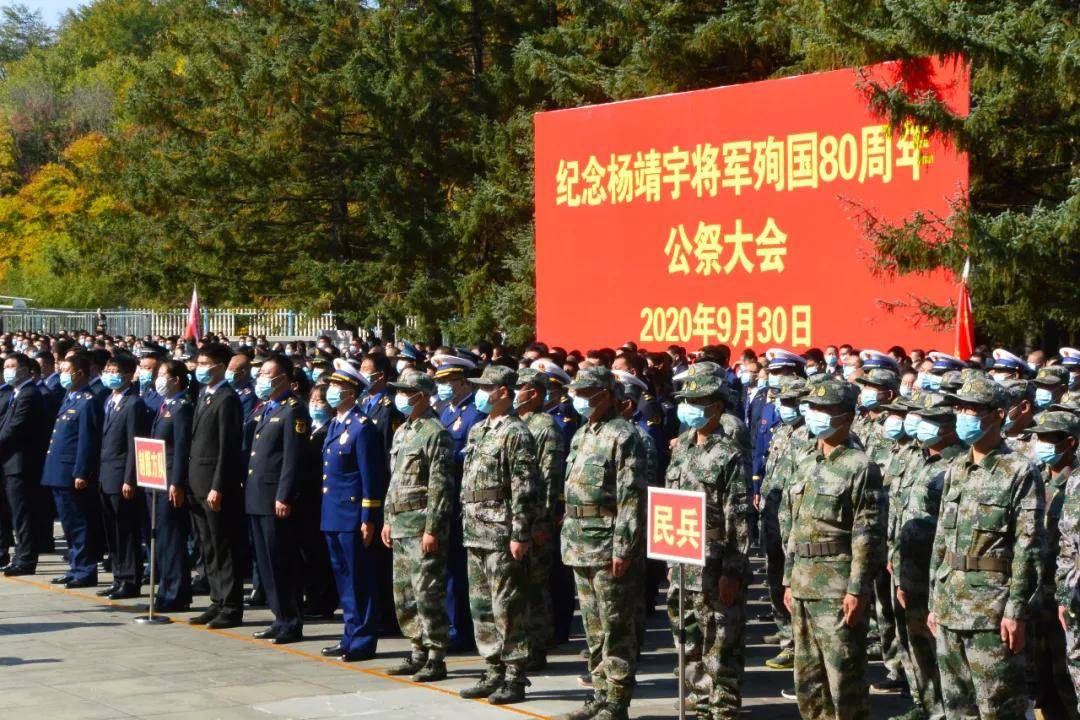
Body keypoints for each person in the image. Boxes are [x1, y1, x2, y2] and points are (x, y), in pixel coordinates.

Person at [928, 377, 1044, 720]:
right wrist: (935, 600)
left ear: (996, 415)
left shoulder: (1019, 471)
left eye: (972, 409)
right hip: (950, 608)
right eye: (960, 408)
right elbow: (941, 539)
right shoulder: (956, 468)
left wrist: (1016, 610)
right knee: (958, 710)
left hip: (991, 613)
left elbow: (1028, 546)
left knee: (998, 710)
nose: (963, 415)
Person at [782, 376, 883, 720]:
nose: (817, 415)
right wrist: (787, 579)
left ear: (846, 416)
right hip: (803, 583)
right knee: (808, 683)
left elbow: (866, 533)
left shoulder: (860, 466)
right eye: (813, 408)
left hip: (837, 587)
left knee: (844, 682)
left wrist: (857, 588)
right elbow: (795, 526)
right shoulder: (806, 460)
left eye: (826, 409)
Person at [561, 366, 647, 720]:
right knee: (593, 628)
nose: (580, 399)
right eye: (578, 393)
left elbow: (631, 498)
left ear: (607, 395)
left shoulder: (624, 435)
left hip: (608, 543)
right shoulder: (583, 434)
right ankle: (599, 692)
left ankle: (617, 699)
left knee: (617, 626)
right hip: (579, 541)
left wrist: (624, 548)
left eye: (587, 393)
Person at [665, 372, 752, 719]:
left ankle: (723, 707)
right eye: (686, 401)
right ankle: (701, 701)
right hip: (682, 562)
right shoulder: (682, 447)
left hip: (715, 564)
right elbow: (669, 503)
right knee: (688, 637)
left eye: (696, 402)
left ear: (716, 407)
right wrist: (669, 557)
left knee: (721, 638)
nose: (688, 408)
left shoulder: (727, 453)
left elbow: (740, 518)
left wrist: (733, 570)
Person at [456, 364, 539, 705]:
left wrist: (519, 533)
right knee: (481, 607)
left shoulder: (516, 433)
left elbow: (523, 488)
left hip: (501, 531)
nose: (481, 393)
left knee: (508, 607)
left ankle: (515, 676)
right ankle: (492, 669)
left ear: (504, 392)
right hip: (475, 529)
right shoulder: (478, 430)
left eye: (486, 387)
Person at [381, 369, 454, 681]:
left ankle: (436, 655)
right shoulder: (403, 431)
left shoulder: (436, 432)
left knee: (427, 592)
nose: (401, 397)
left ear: (422, 396)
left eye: (406, 392)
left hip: (421, 524)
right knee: (404, 593)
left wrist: (432, 529)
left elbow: (441, 486)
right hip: (399, 522)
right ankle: (416, 650)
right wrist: (386, 518)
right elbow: (394, 481)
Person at [320, 360, 387, 662]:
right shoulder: (336, 424)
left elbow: (371, 477)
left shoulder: (363, 428)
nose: (332, 392)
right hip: (332, 513)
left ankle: (362, 640)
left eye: (338, 387)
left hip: (352, 516)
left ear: (351, 392)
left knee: (358, 580)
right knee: (343, 580)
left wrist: (368, 518)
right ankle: (350, 634)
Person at [247, 354, 309, 644]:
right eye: (260, 373)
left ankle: (291, 621)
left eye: (268, 373)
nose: (263, 378)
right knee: (266, 561)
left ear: (284, 377)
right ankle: (279, 616)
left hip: (275, 499)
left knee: (281, 561)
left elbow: (292, 459)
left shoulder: (293, 410)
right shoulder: (266, 408)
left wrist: (284, 495)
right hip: (258, 496)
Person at [187, 343, 246, 629]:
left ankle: (232, 605)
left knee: (223, 546)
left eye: (206, 362)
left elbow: (227, 448)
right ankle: (216, 600)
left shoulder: (227, 399)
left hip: (214, 486)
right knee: (207, 546)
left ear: (221, 366)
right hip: (196, 483)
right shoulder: (204, 395)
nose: (201, 367)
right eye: (199, 362)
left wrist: (218, 485)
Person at [515, 367, 566, 671]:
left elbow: (549, 478)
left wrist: (541, 521)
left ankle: (536, 647)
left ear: (533, 393)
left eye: (519, 387)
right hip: (517, 518)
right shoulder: (517, 423)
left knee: (534, 587)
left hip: (535, 520)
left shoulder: (545, 426)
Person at [1030, 410, 1080, 718]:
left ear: (1070, 443)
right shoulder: (1035, 476)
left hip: (1066, 592)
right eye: (1039, 438)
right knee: (1041, 670)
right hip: (1038, 591)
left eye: (1049, 438)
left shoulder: (1075, 483)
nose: (1041, 444)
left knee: (1068, 670)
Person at [41, 352, 103, 589]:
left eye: (66, 370)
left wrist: (81, 472)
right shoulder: (70, 397)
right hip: (58, 471)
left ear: (80, 374)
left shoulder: (87, 401)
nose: (62, 374)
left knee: (79, 523)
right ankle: (75, 566)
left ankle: (85, 570)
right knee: (68, 523)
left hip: (71, 473)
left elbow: (87, 441)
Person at [758, 376, 808, 671]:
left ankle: (797, 643)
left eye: (790, 402)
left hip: (793, 523)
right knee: (774, 578)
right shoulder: (781, 432)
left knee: (793, 583)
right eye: (782, 401)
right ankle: (785, 637)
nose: (784, 407)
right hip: (772, 518)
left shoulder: (809, 437)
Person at [96, 353, 151, 600]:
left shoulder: (134, 403)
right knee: (112, 530)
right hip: (105, 474)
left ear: (129, 375)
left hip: (121, 477)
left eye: (114, 370)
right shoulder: (110, 399)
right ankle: (118, 576)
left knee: (126, 530)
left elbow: (133, 444)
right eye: (107, 369)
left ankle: (130, 579)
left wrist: (130, 478)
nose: (109, 374)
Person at [149, 360, 194, 611]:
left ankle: (176, 592)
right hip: (156, 479)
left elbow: (181, 449)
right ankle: (166, 588)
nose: (158, 379)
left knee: (172, 538)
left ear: (176, 379)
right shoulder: (166, 405)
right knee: (162, 539)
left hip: (169, 482)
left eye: (163, 374)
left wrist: (177, 482)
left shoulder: (182, 407)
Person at [0, 352, 47, 576]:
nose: (7, 370)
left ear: (25, 370)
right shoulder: (15, 393)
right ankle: (20, 556)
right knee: (16, 513)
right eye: (6, 365)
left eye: (12, 366)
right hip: (10, 463)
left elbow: (15, 429)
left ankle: (26, 559)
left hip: (21, 464)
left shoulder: (29, 393)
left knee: (23, 513)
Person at [297, 383, 336, 619]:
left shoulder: (329, 430)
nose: (315, 405)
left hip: (320, 499)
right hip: (307, 501)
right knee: (308, 554)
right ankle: (312, 597)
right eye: (312, 400)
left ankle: (323, 601)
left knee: (320, 555)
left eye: (320, 401)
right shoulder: (311, 428)